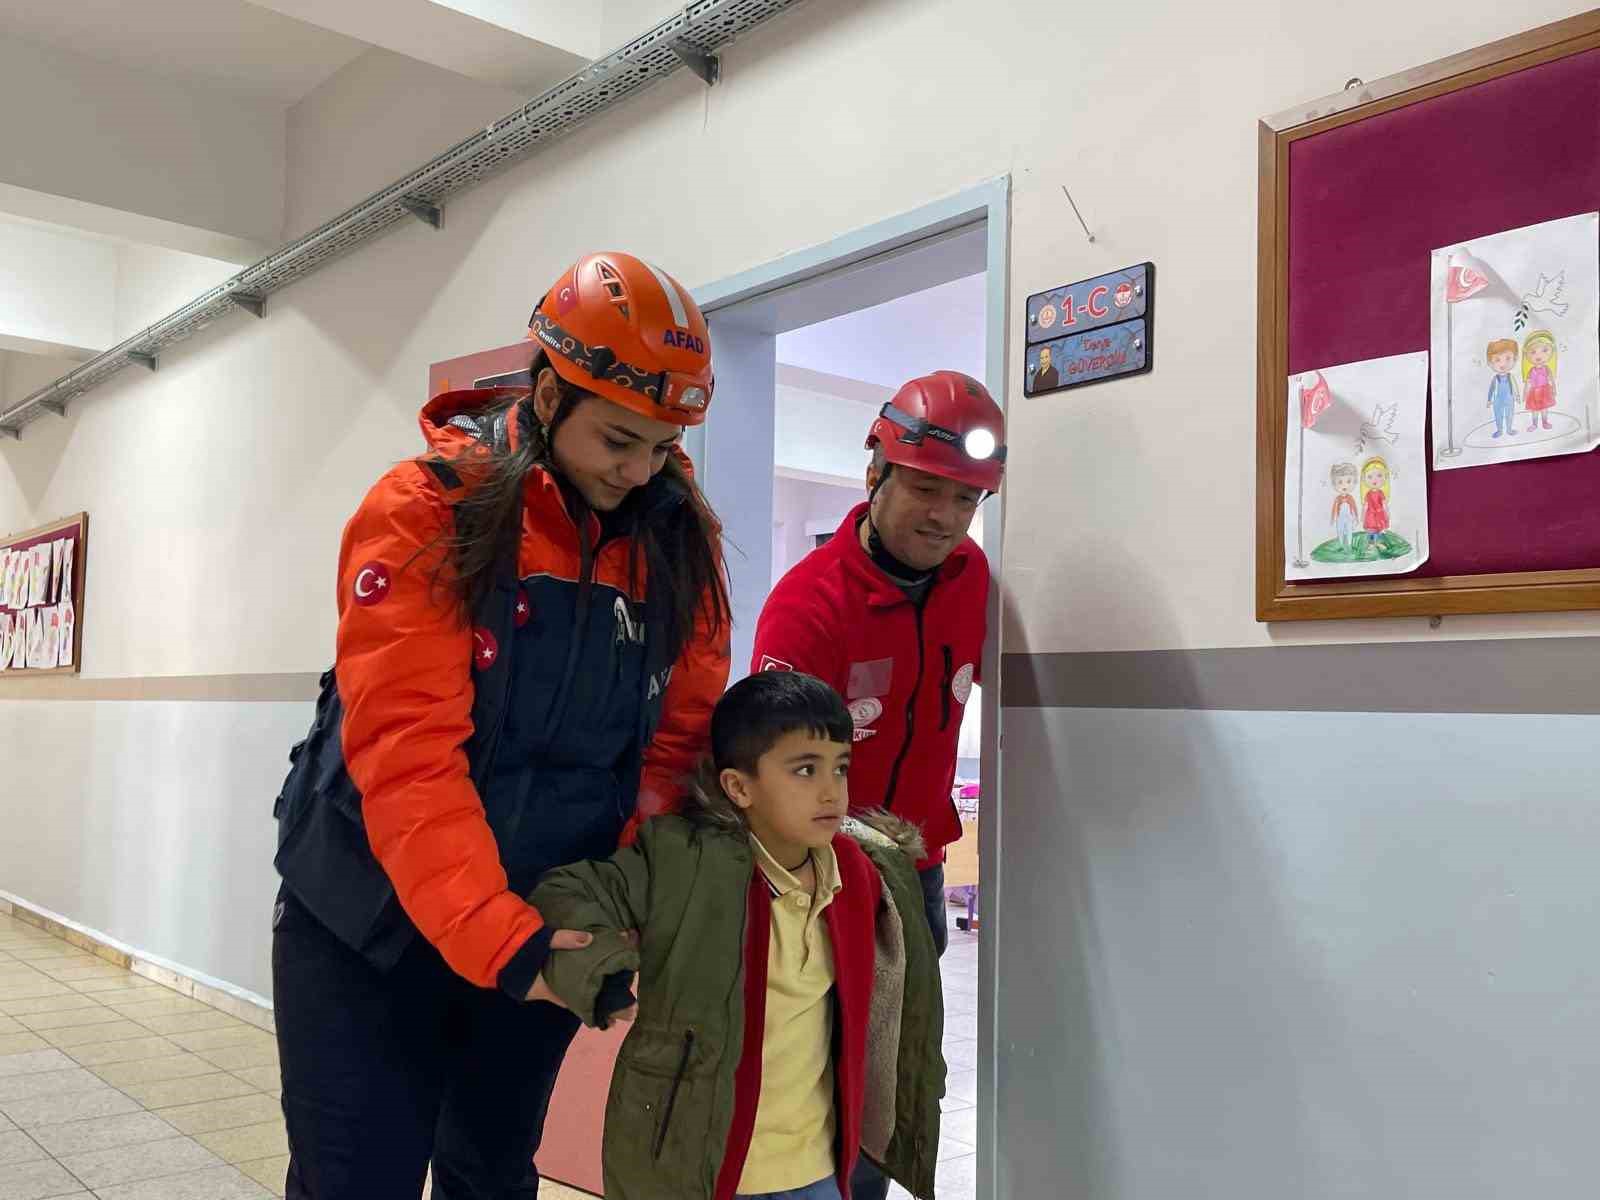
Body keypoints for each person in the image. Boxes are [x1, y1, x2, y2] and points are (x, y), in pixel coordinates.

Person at [269, 251, 731, 1199]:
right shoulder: (428, 509)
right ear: (551, 391)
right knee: (358, 1180)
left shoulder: (679, 542)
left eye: (663, 446)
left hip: (540, 918)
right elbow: (409, 757)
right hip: (369, 921)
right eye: (617, 441)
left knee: (491, 1174)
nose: (641, 472)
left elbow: (676, 747)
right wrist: (499, 940)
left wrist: (621, 897)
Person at [530, 671, 945, 1200]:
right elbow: (568, 892)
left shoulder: (866, 876)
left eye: (840, 768)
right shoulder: (683, 863)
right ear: (739, 786)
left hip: (815, 1169)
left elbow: (904, 1024)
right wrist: (599, 973)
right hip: (698, 1168)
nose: (830, 790)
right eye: (804, 769)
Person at [749, 369, 1003, 1200]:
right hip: (818, 887)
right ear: (875, 475)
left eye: (966, 500)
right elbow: (772, 777)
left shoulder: (972, 583)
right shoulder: (808, 606)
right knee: (816, 1084)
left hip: (918, 875)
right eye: (926, 488)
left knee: (893, 1081)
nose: (945, 517)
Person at [1485, 338, 1520, 439]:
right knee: (1498, 416)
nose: (1503, 364)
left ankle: (1509, 429)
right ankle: (1499, 430)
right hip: (1497, 401)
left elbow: (1515, 387)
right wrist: (1489, 400)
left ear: (1515, 358)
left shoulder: (1511, 377)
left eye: (1508, 358)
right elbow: (1491, 390)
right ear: (1490, 363)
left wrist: (1517, 396)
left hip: (1509, 399)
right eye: (1497, 360)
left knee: (1509, 415)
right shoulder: (1495, 378)